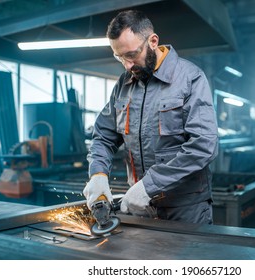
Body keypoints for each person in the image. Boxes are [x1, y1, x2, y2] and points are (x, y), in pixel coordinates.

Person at [83, 9, 218, 224]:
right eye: (119, 57)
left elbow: (203, 145)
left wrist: (150, 186)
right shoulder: (124, 85)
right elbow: (103, 137)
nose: (127, 65)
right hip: (139, 207)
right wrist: (98, 174)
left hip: (184, 209)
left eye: (131, 54)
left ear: (153, 41)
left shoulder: (190, 78)